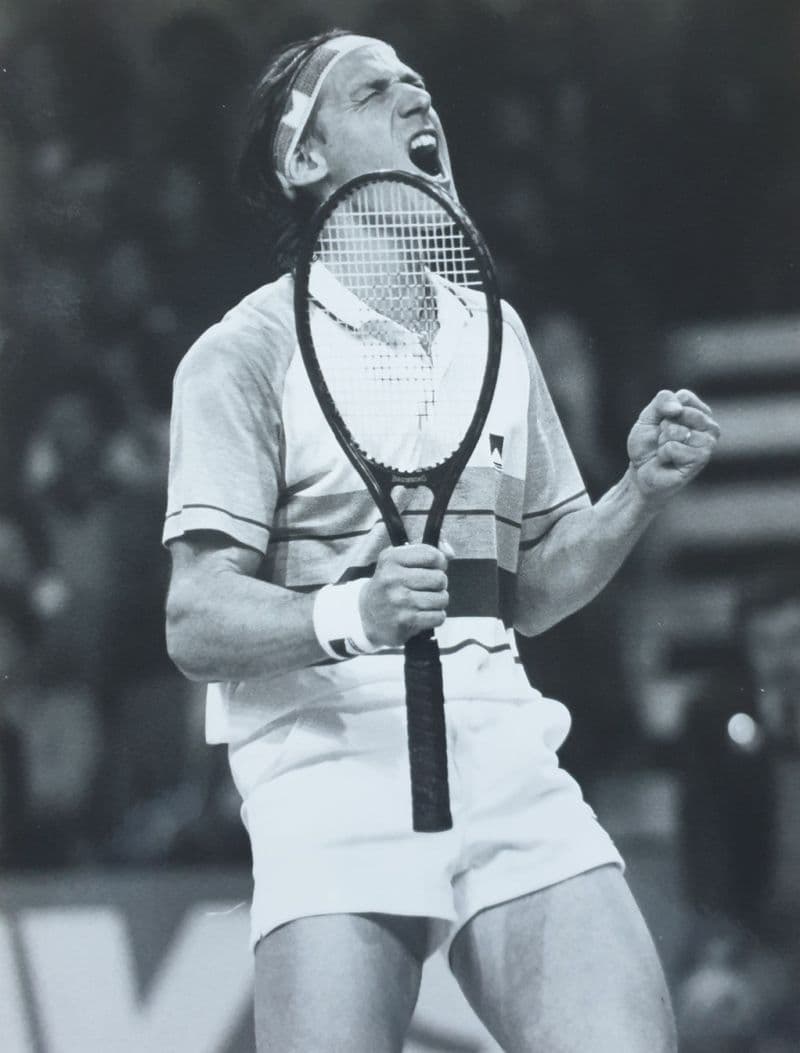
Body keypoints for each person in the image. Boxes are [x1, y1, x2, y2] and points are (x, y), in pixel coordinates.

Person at [163, 30, 720, 1052]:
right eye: (374, 90)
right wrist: (355, 612)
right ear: (303, 158)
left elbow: (533, 590)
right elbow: (195, 619)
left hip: (501, 745)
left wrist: (635, 493)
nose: (415, 96)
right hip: (327, 769)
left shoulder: (493, 337)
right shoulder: (243, 353)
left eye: (418, 83)